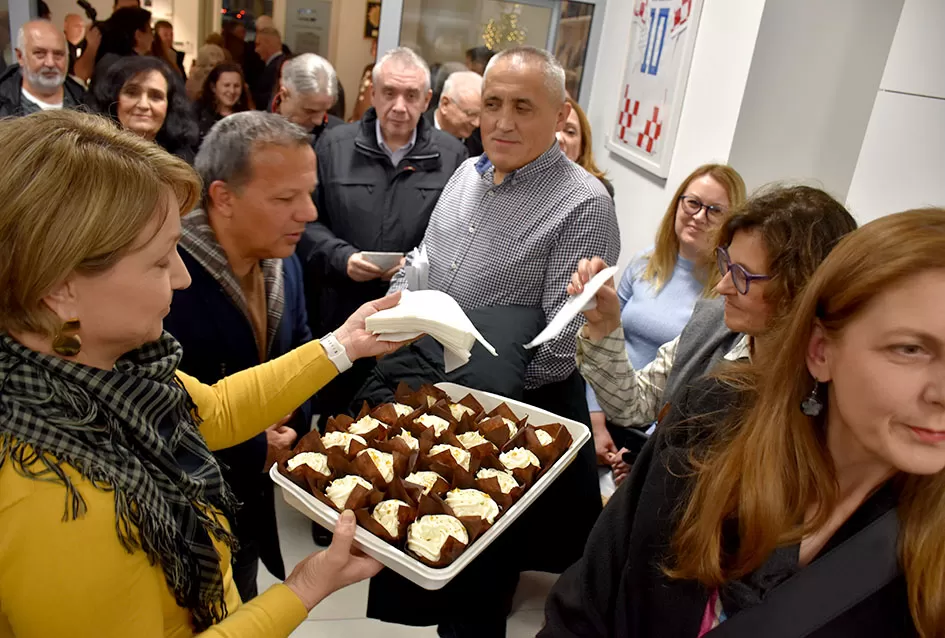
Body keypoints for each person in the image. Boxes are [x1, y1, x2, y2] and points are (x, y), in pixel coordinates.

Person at [0, 108, 412, 636]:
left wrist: (343, 345)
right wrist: (305, 588)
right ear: (59, 285)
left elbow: (210, 409)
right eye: (158, 261)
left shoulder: (104, 367)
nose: (181, 277)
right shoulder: (56, 504)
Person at [541, 208, 945, 636]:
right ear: (821, 350)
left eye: (745, 276)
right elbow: (591, 595)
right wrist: (605, 330)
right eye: (911, 349)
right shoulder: (711, 416)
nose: (722, 286)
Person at [382, 45, 619, 637]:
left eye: (522, 106)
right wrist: (401, 291)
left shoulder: (583, 202)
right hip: (438, 387)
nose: (504, 121)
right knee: (427, 542)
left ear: (561, 112)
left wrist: (476, 369)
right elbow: (430, 256)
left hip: (505, 416)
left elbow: (563, 344)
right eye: (492, 104)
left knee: (480, 575)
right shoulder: (467, 171)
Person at [572, 186, 858, 462]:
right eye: (726, 263)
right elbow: (632, 403)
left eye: (743, 276)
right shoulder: (708, 324)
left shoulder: (828, 392)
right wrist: (605, 324)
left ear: (801, 289)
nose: (722, 286)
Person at [164, 112, 318, 602]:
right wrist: (256, 445)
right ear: (223, 197)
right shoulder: (167, 276)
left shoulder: (282, 260)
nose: (309, 213)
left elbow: (301, 342)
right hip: (182, 521)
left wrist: (298, 419)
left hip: (247, 510)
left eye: (308, 193)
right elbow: (157, 405)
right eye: (285, 199)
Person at [298, 46, 467, 429]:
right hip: (338, 306)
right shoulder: (333, 146)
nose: (399, 106)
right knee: (337, 423)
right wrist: (342, 257)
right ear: (372, 94)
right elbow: (306, 223)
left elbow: (457, 231)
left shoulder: (452, 155)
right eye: (389, 93)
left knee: (399, 424)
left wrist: (421, 262)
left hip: (410, 320)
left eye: (411, 96)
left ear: (427, 100)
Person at [587, 164, 746, 483]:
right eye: (693, 203)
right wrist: (596, 420)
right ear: (678, 204)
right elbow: (607, 335)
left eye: (714, 210)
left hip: (653, 436)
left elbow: (687, 382)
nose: (699, 216)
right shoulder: (645, 262)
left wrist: (642, 452)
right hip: (603, 407)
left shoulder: (724, 298)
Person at [86, 55, 199, 162]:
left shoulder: (183, 163)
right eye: (132, 93)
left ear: (170, 106)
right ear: (113, 99)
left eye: (155, 96)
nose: (143, 105)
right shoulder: (88, 156)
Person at [0, 20, 85, 117]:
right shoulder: (3, 105)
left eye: (58, 54)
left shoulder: (85, 101)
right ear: (20, 56)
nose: (50, 63)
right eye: (40, 53)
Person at [271, 52, 343, 147]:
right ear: (284, 95)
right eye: (310, 111)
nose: (318, 121)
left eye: (324, 110)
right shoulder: (256, 130)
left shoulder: (340, 136)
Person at [557, 96, 612, 196]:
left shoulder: (596, 193)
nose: (559, 138)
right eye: (553, 129)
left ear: (582, 147)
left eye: (570, 132)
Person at [425, 69, 483, 156]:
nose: (477, 123)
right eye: (470, 114)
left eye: (481, 115)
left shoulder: (480, 142)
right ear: (445, 104)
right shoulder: (416, 134)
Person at [194, 61, 253, 143]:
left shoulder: (248, 119)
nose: (232, 91)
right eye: (226, 85)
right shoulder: (197, 115)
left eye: (236, 86)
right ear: (213, 87)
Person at [93, 6, 153, 78]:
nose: (153, 38)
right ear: (138, 35)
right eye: (150, 31)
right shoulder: (134, 70)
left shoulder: (108, 61)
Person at [251, 26, 285, 111]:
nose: (255, 50)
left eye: (258, 44)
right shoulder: (280, 64)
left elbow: (268, 99)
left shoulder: (276, 68)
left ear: (268, 43)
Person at [64, 13, 87, 78]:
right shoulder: (58, 45)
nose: (81, 30)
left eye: (83, 26)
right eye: (77, 26)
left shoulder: (89, 48)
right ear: (66, 26)